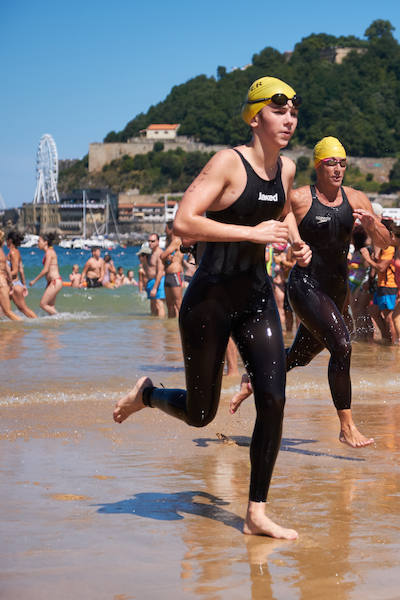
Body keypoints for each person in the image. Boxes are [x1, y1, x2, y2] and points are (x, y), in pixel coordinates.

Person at [113, 75, 311, 539]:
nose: (289, 119)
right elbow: (183, 221)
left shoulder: (286, 170)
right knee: (202, 414)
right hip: (209, 302)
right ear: (255, 116)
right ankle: (148, 393)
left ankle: (256, 512)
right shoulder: (228, 163)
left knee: (275, 398)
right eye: (279, 110)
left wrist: (296, 243)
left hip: (257, 297)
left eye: (294, 112)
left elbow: (281, 215)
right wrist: (252, 234)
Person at [233, 136, 389, 446]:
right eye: (332, 163)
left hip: (336, 291)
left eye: (343, 163)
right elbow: (266, 220)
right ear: (318, 166)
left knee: (299, 357)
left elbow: (385, 242)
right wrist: (288, 243)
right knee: (343, 346)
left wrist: (372, 226)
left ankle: (253, 376)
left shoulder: (357, 198)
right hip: (304, 286)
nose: (338, 169)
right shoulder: (301, 198)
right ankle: (346, 427)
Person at [29, 232, 63, 315]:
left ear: (45, 242)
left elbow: (45, 270)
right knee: (50, 307)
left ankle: (60, 318)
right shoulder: (49, 252)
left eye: (39, 241)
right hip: (52, 282)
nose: (38, 243)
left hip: (55, 281)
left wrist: (34, 281)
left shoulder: (49, 252)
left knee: (43, 304)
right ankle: (53, 326)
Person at [6, 231, 37, 318]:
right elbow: (21, 270)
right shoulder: (16, 252)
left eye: (6, 240)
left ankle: (39, 323)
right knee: (1, 308)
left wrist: (3, 276)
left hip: (14, 286)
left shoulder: (13, 253)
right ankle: (2, 328)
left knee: (23, 309)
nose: (5, 242)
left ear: (10, 240)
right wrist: (24, 285)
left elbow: (15, 271)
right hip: (14, 285)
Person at [161, 221, 185, 318]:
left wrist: (165, 257)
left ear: (171, 229)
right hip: (168, 274)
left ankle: (181, 327)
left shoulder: (176, 241)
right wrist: (166, 258)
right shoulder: (169, 242)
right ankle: (170, 329)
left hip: (176, 274)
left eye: (166, 228)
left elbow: (162, 255)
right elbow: (164, 258)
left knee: (178, 303)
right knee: (169, 305)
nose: (164, 230)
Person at [144, 234, 166, 316]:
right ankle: (154, 325)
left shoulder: (159, 253)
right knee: (152, 305)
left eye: (152, 241)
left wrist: (155, 288)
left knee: (159, 304)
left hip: (158, 281)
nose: (150, 243)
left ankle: (160, 326)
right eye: (149, 241)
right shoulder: (150, 253)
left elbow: (160, 272)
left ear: (158, 242)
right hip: (151, 281)